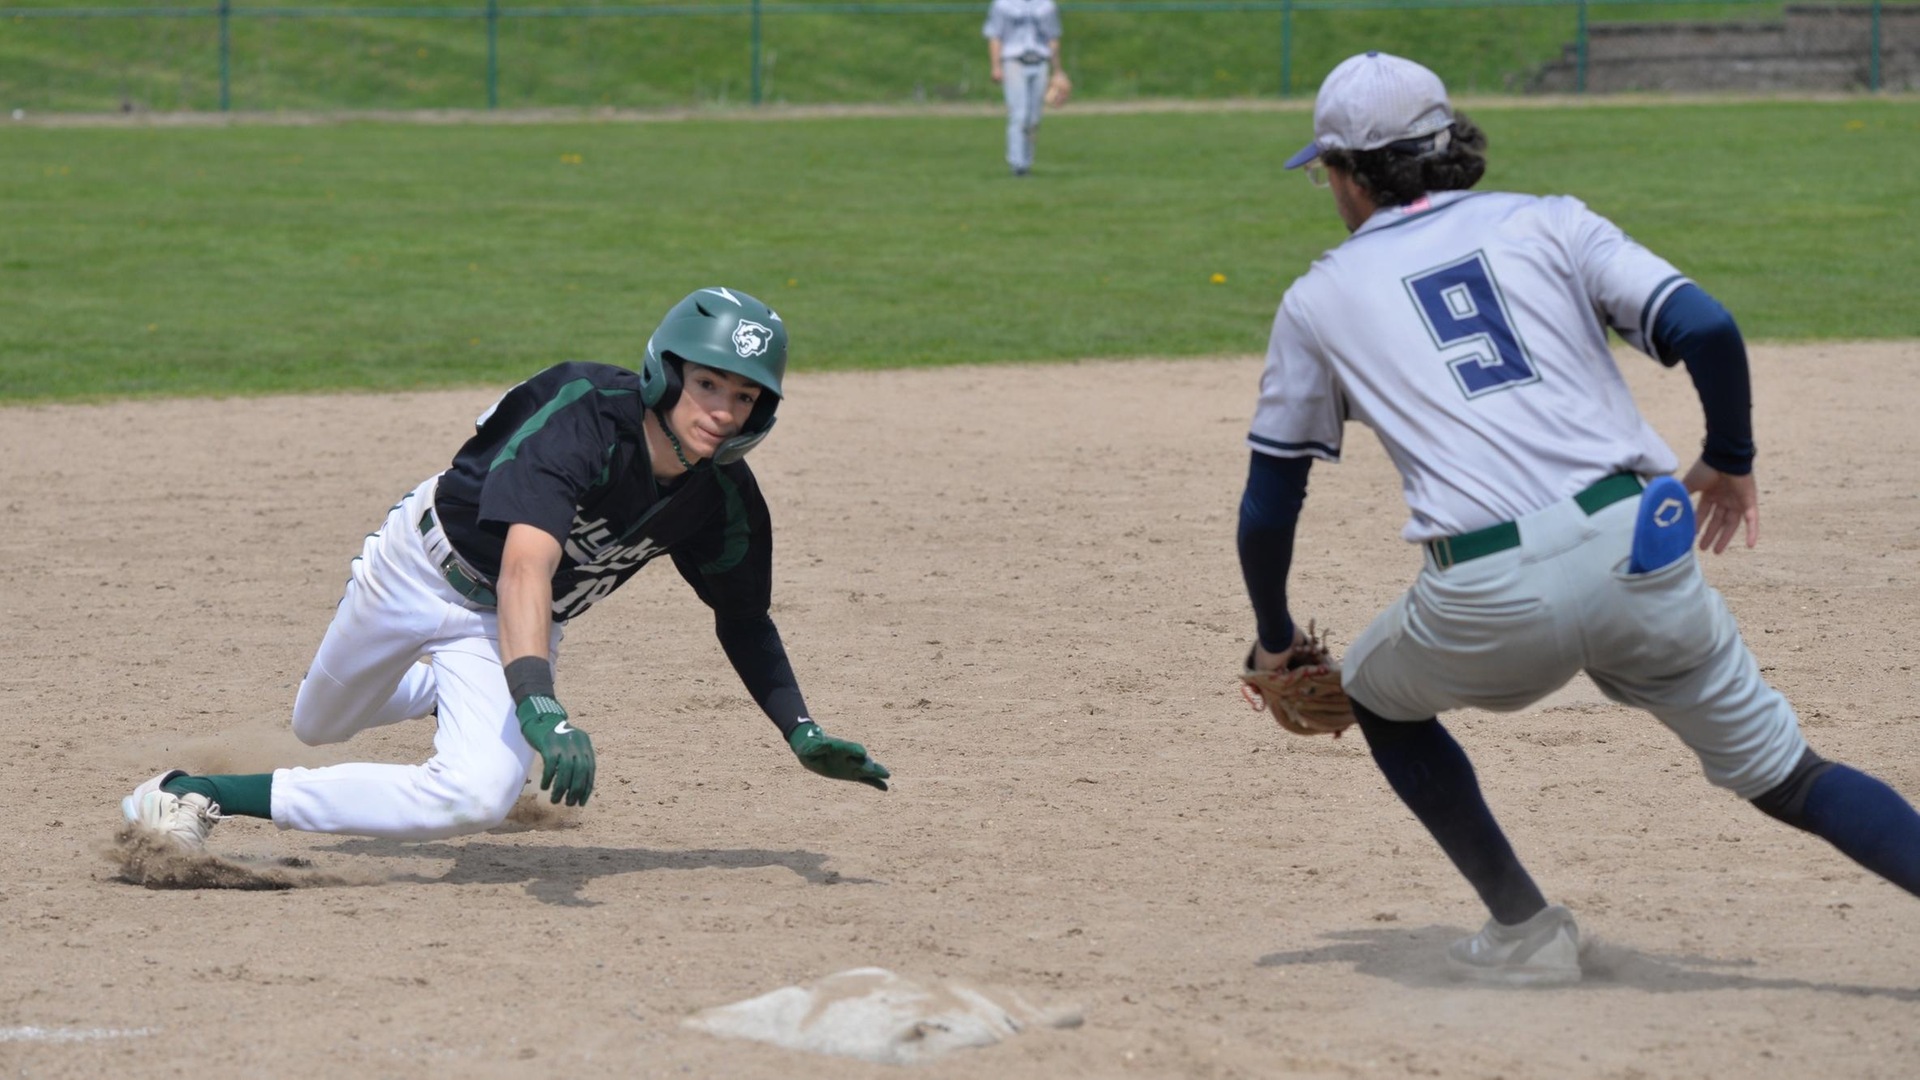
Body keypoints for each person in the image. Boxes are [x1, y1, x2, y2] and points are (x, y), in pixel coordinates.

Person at [1239, 51, 1920, 985]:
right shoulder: (1548, 221)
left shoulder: (1318, 298)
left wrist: (1275, 639)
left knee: (1375, 694)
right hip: (1639, 550)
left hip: (1486, 596)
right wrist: (1729, 458)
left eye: (1327, 172)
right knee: (1789, 775)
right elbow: (1708, 328)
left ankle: (1526, 930)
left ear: (1353, 175)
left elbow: (1270, 501)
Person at [122, 286, 890, 852]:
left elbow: (743, 618)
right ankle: (445, 692)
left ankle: (195, 794)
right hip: (417, 570)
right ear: (667, 372)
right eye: (709, 383)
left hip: (506, 628)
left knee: (474, 797)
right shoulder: (584, 416)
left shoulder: (723, 501)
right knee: (316, 724)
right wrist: (539, 704)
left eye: (745, 395)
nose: (722, 408)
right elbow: (527, 564)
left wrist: (799, 728)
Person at [982, 0, 1062, 177]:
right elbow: (995, 35)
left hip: (1040, 61)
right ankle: (1017, 165)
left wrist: (1057, 71)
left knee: (1033, 118)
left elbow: (1052, 38)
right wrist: (995, 66)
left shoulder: (1046, 5)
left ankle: (1027, 162)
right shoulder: (1003, 5)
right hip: (1014, 61)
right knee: (1019, 114)